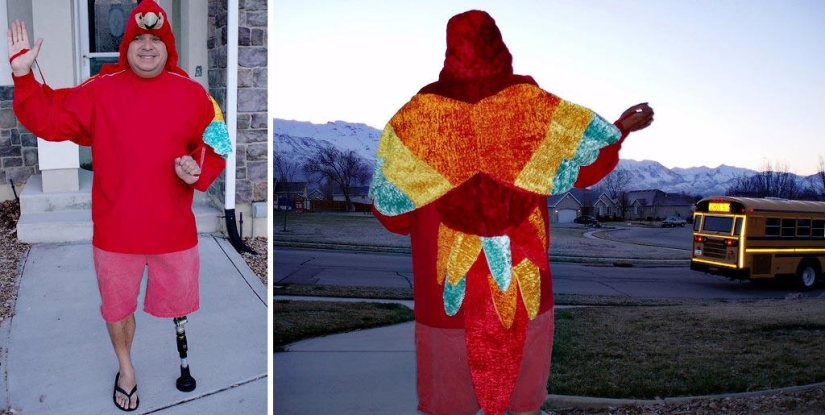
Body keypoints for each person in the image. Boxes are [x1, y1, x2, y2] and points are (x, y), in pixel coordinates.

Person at [369, 10, 654, 415]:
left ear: (449, 51)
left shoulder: (414, 123)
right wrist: (620, 128)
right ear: (502, 49)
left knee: (448, 403)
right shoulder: (532, 111)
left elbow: (393, 216)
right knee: (523, 402)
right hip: (526, 297)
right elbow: (589, 164)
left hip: (445, 303)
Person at [7, 0, 230, 411]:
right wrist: (22, 74)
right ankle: (126, 369)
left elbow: (218, 143)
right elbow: (51, 118)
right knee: (117, 308)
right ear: (126, 45)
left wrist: (195, 168)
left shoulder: (194, 94)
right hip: (116, 233)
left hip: (172, 233)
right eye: (139, 39)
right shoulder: (101, 90)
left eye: (156, 39)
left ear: (168, 45)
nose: (147, 47)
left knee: (178, 302)